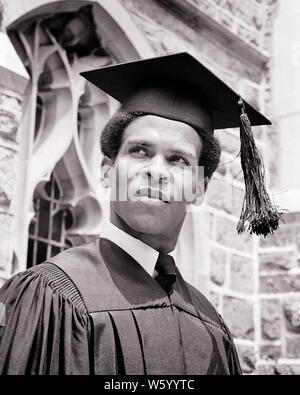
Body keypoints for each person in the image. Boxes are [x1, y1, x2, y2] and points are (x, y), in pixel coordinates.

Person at [0, 52, 279, 375]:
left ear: (199, 188)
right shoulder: (49, 296)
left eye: (178, 160)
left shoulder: (211, 322)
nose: (156, 171)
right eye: (140, 151)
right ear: (106, 171)